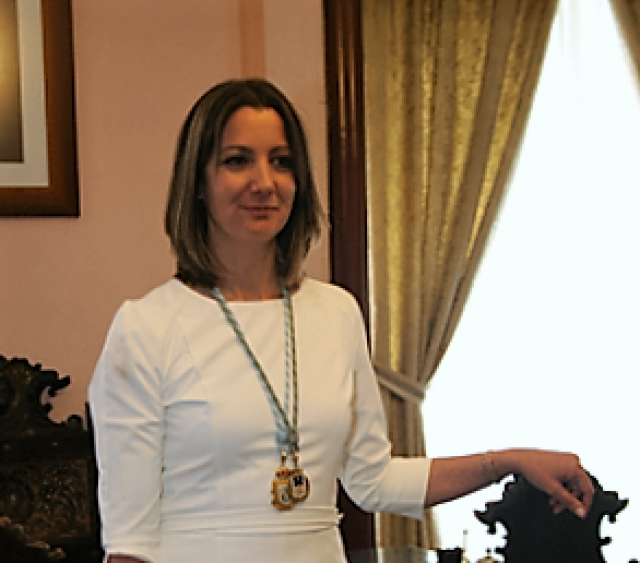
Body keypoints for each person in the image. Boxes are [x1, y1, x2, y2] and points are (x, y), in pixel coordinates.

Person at [89, 78, 594, 563]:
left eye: (281, 161)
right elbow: (130, 544)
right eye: (237, 160)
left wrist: (508, 461)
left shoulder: (336, 312)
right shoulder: (146, 328)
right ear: (198, 182)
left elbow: (375, 482)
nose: (264, 183)